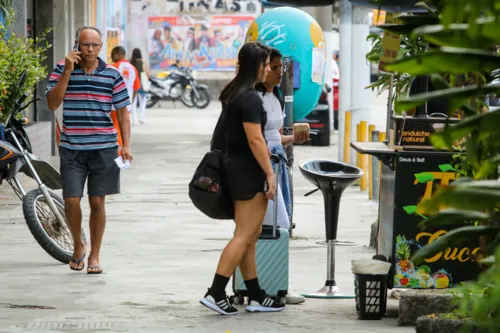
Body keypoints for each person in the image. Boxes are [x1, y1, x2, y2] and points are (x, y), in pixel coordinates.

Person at [200, 42, 286, 315]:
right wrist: (270, 174)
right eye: (267, 65)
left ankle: (257, 294)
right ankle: (215, 291)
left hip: (233, 169)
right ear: (257, 67)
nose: (269, 69)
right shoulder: (250, 98)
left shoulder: (234, 92)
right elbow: (256, 139)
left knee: (251, 235)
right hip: (247, 173)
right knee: (244, 236)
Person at [46, 26, 132, 274]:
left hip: (104, 149)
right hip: (72, 148)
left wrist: (125, 145)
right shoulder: (63, 69)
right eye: (85, 45)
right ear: (76, 45)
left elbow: (123, 113)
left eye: (95, 45)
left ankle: (94, 254)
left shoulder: (112, 75)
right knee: (71, 200)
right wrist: (67, 73)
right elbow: (52, 103)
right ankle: (77, 246)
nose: (90, 50)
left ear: (101, 47)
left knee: (97, 202)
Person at [255, 47, 309, 305]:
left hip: (276, 161)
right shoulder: (252, 99)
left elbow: (274, 135)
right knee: (266, 225)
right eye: (273, 68)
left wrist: (293, 139)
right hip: (264, 165)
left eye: (280, 68)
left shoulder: (274, 98)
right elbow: (256, 139)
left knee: (282, 223)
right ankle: (263, 286)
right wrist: (267, 169)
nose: (278, 73)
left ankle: (276, 282)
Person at [111, 46, 141, 131]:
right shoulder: (133, 68)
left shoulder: (112, 68)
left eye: (112, 54)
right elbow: (136, 88)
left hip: (113, 107)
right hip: (127, 107)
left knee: (115, 130)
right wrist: (130, 103)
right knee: (124, 130)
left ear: (118, 54)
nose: (111, 57)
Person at [130, 48, 151, 124]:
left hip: (133, 83)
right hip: (142, 83)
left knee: (133, 101)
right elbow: (148, 74)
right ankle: (141, 117)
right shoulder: (143, 62)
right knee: (143, 100)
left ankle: (133, 119)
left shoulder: (130, 62)